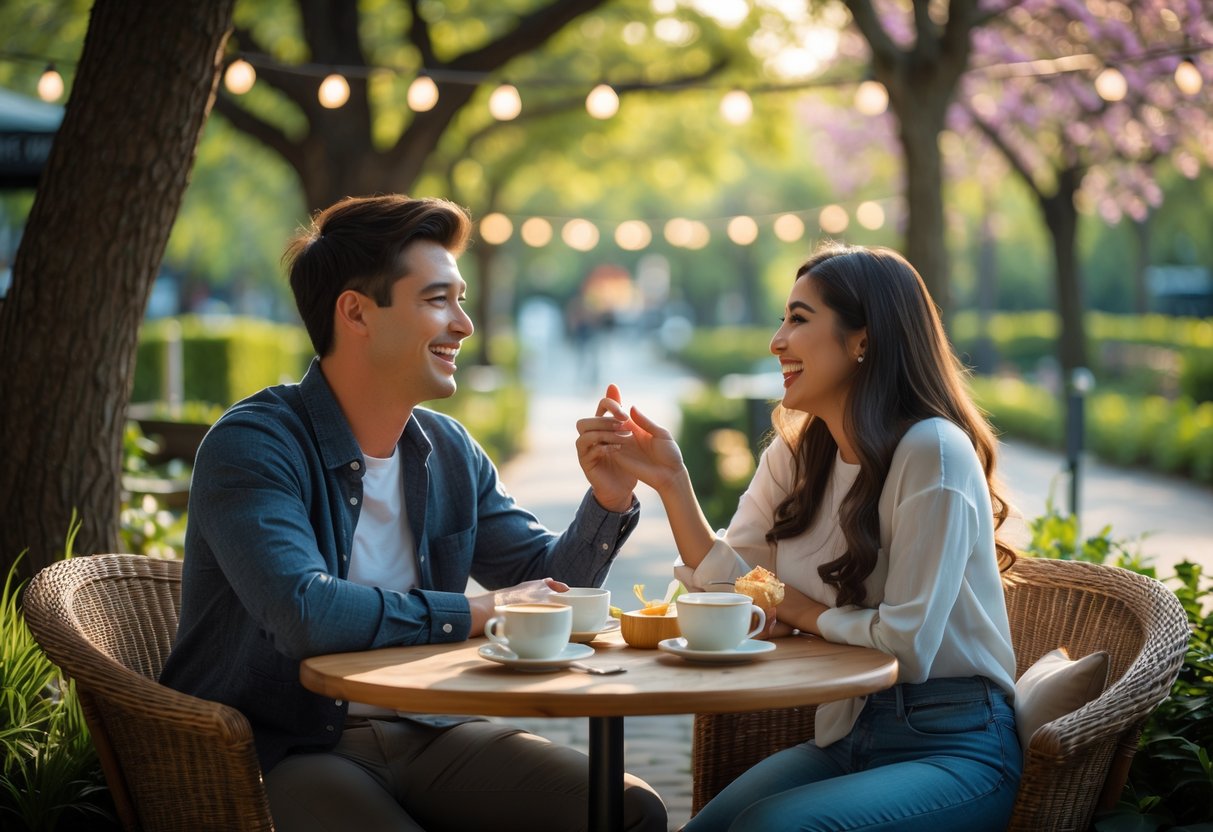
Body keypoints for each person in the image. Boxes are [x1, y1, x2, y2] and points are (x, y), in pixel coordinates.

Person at [160, 195, 666, 832]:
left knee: (629, 812)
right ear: (356, 313)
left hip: (430, 731)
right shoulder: (254, 446)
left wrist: (607, 499)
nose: (464, 323)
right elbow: (305, 612)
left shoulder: (449, 451)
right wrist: (479, 611)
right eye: (438, 300)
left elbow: (547, 587)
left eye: (460, 298)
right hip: (286, 746)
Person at [579, 242, 1022, 831]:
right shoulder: (797, 456)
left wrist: (801, 610)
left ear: (863, 339)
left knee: (773, 828)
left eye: (799, 319)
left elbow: (906, 647)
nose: (777, 340)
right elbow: (734, 591)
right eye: (782, 318)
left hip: (955, 744)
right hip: (847, 730)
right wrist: (670, 482)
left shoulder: (931, 450)